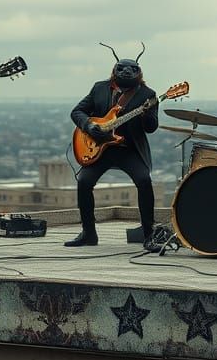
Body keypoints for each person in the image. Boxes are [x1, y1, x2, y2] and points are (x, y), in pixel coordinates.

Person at [68, 44, 158, 248]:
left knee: (144, 181)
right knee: (84, 182)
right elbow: (77, 112)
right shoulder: (99, 88)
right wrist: (90, 126)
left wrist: (146, 116)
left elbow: (151, 128)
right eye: (122, 69)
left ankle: (149, 235)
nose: (126, 72)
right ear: (114, 70)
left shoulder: (148, 94)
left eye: (131, 70)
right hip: (100, 148)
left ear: (139, 73)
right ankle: (88, 234)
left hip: (129, 149)